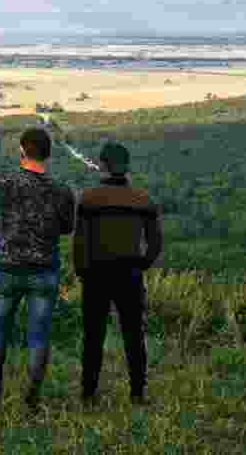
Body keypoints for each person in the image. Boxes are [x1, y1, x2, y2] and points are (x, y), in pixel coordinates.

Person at [0, 128, 75, 411]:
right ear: (48, 153)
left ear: (22, 150)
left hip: (6, 267)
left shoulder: (4, 181)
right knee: (38, 335)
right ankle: (32, 398)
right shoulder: (62, 190)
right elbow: (67, 228)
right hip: (43, 270)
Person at [73, 142, 163, 406]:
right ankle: (138, 392)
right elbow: (156, 243)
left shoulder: (89, 199)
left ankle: (88, 393)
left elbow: (80, 242)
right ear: (127, 164)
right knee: (134, 334)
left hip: (96, 274)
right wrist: (141, 265)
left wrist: (82, 272)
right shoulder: (143, 198)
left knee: (93, 335)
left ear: (102, 165)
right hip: (130, 273)